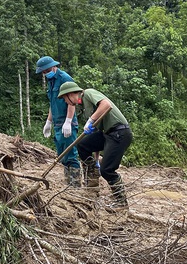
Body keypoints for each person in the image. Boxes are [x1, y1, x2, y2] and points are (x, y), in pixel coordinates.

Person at [57, 81, 133, 208]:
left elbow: (106, 105)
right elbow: (97, 134)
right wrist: (96, 160)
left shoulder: (88, 93)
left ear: (70, 94)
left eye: (65, 98)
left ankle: (121, 202)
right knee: (83, 144)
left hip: (119, 133)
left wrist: (91, 120)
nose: (66, 102)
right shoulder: (84, 107)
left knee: (107, 170)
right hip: (107, 134)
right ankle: (92, 181)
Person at [35, 56, 81, 187]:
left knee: (71, 153)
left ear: (53, 67)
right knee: (62, 155)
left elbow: (73, 101)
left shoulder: (64, 78)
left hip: (67, 123)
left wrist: (68, 121)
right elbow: (52, 103)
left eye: (47, 70)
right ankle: (68, 183)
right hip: (57, 123)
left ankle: (75, 185)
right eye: (43, 72)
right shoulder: (51, 81)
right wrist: (48, 122)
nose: (45, 74)